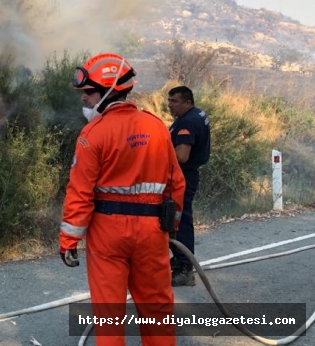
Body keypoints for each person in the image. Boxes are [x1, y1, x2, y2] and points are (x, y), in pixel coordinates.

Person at [59, 53, 186, 346]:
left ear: (108, 91)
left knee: (109, 315)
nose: (84, 99)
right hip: (153, 231)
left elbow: (79, 193)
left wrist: (68, 241)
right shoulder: (156, 127)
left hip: (108, 233)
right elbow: (175, 184)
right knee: (157, 312)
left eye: (89, 93)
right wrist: (171, 227)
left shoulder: (92, 134)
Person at [167, 85, 211, 287]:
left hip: (182, 178)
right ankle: (179, 261)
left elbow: (182, 156)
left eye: (174, 101)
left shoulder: (187, 123)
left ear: (187, 102)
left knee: (179, 221)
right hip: (187, 176)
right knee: (179, 219)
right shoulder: (197, 114)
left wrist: (158, 152)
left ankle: (184, 269)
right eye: (169, 100)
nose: (170, 105)